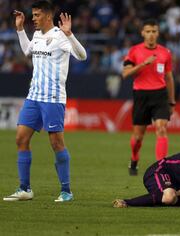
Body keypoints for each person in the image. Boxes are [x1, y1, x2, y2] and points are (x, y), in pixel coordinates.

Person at [3, 1, 87, 202]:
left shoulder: (60, 36)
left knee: (56, 143)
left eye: (37, 15)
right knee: (21, 139)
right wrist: (20, 30)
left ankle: (66, 191)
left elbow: (82, 56)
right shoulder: (38, 35)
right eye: (33, 15)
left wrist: (70, 34)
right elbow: (27, 51)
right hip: (33, 97)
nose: (33, 18)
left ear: (48, 17)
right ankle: (25, 189)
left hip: (53, 99)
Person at [122, 19, 176, 176]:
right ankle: (134, 158)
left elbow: (169, 77)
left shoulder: (165, 52)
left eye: (154, 31)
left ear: (158, 33)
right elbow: (125, 74)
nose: (151, 35)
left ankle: (161, 167)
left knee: (161, 128)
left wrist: (172, 101)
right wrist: (143, 64)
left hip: (160, 94)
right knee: (138, 137)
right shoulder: (134, 51)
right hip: (141, 95)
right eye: (148, 31)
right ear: (142, 33)